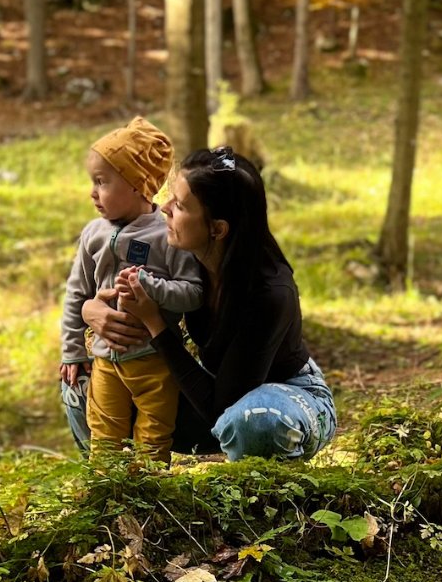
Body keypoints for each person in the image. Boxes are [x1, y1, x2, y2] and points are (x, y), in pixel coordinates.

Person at [84, 148, 337, 462]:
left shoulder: (270, 293)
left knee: (253, 420)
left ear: (217, 228)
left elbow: (223, 405)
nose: (164, 208)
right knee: (88, 387)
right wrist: (90, 309)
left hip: (286, 398)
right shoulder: (190, 255)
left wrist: (155, 324)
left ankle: (267, 490)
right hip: (220, 392)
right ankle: (118, 486)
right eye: (170, 198)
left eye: (179, 205)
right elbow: (113, 278)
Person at [58, 119, 205, 461]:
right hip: (105, 361)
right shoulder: (93, 234)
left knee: (154, 437)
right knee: (104, 434)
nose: (93, 192)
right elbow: (77, 294)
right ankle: (106, 497)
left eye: (102, 182)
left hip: (155, 362)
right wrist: (72, 351)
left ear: (138, 186)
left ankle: (151, 499)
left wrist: (150, 288)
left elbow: (192, 293)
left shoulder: (165, 235)